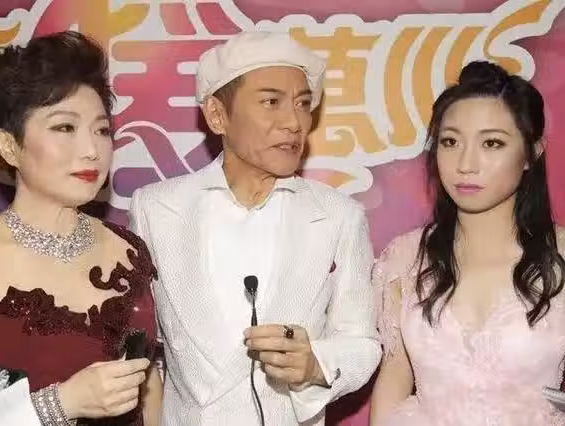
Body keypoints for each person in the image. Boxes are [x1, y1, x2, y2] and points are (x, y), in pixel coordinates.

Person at [128, 31, 381, 425]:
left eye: (303, 104)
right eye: (271, 102)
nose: (294, 123)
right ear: (217, 115)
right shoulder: (156, 209)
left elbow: (362, 341)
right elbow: (140, 346)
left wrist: (315, 364)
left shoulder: (339, 216)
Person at [0, 31, 161, 426]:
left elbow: (147, 386)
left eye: (102, 130)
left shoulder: (129, 250)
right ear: (9, 146)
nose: (92, 150)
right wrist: (59, 404)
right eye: (65, 128)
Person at [370, 60, 565, 425]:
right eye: (450, 141)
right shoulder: (404, 259)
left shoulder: (562, 256)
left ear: (531, 153)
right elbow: (394, 378)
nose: (465, 164)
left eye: (492, 143)